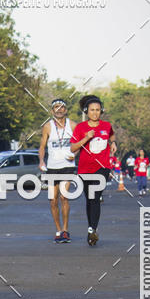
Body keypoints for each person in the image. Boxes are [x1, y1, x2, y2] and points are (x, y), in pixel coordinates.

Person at [70, 95, 116, 246]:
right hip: (84, 169)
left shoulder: (106, 126)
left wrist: (113, 143)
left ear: (101, 111)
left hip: (102, 167)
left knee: (95, 197)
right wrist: (86, 138)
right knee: (89, 199)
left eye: (97, 110)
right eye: (92, 110)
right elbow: (73, 148)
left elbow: (111, 134)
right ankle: (91, 228)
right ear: (86, 111)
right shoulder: (80, 128)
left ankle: (93, 229)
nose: (95, 113)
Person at [38, 99, 76, 242]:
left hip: (67, 166)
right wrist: (41, 160)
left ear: (66, 109)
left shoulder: (72, 125)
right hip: (52, 167)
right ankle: (58, 230)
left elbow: (78, 144)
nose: (59, 110)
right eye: (56, 107)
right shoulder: (47, 127)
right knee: (53, 200)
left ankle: (66, 230)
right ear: (52, 110)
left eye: (62, 107)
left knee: (64, 197)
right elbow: (42, 146)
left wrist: (75, 154)